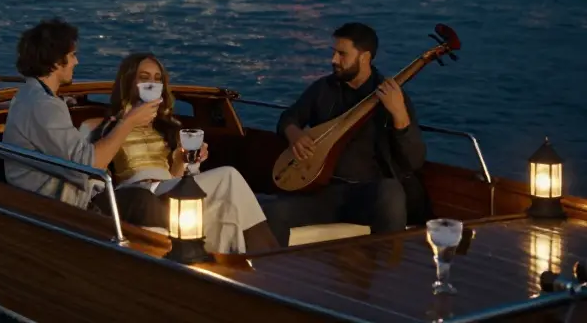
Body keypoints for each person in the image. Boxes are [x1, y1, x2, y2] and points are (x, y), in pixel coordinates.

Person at [80, 53, 277, 253]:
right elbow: (92, 174)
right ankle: (268, 254)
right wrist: (128, 121)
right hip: (135, 191)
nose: (152, 83)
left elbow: (176, 178)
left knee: (226, 195)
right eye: (144, 77)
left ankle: (254, 258)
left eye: (157, 79)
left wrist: (183, 160)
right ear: (128, 82)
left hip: (168, 187)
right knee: (228, 176)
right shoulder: (99, 126)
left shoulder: (169, 128)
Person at [263, 22, 427, 246]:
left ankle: (389, 264)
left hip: (368, 194)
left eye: (342, 54)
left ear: (365, 57)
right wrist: (295, 135)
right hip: (323, 191)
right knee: (274, 213)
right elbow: (289, 118)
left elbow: (414, 161)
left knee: (391, 193)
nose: (334, 60)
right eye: (334, 53)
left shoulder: (392, 96)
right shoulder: (324, 88)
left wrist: (400, 115)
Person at [2, 18, 169, 229]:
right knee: (143, 201)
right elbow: (88, 166)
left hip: (62, 198)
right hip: (58, 208)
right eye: (72, 55)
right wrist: (129, 122)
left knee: (143, 198)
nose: (76, 62)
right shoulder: (42, 105)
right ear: (57, 61)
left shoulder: (32, 96)